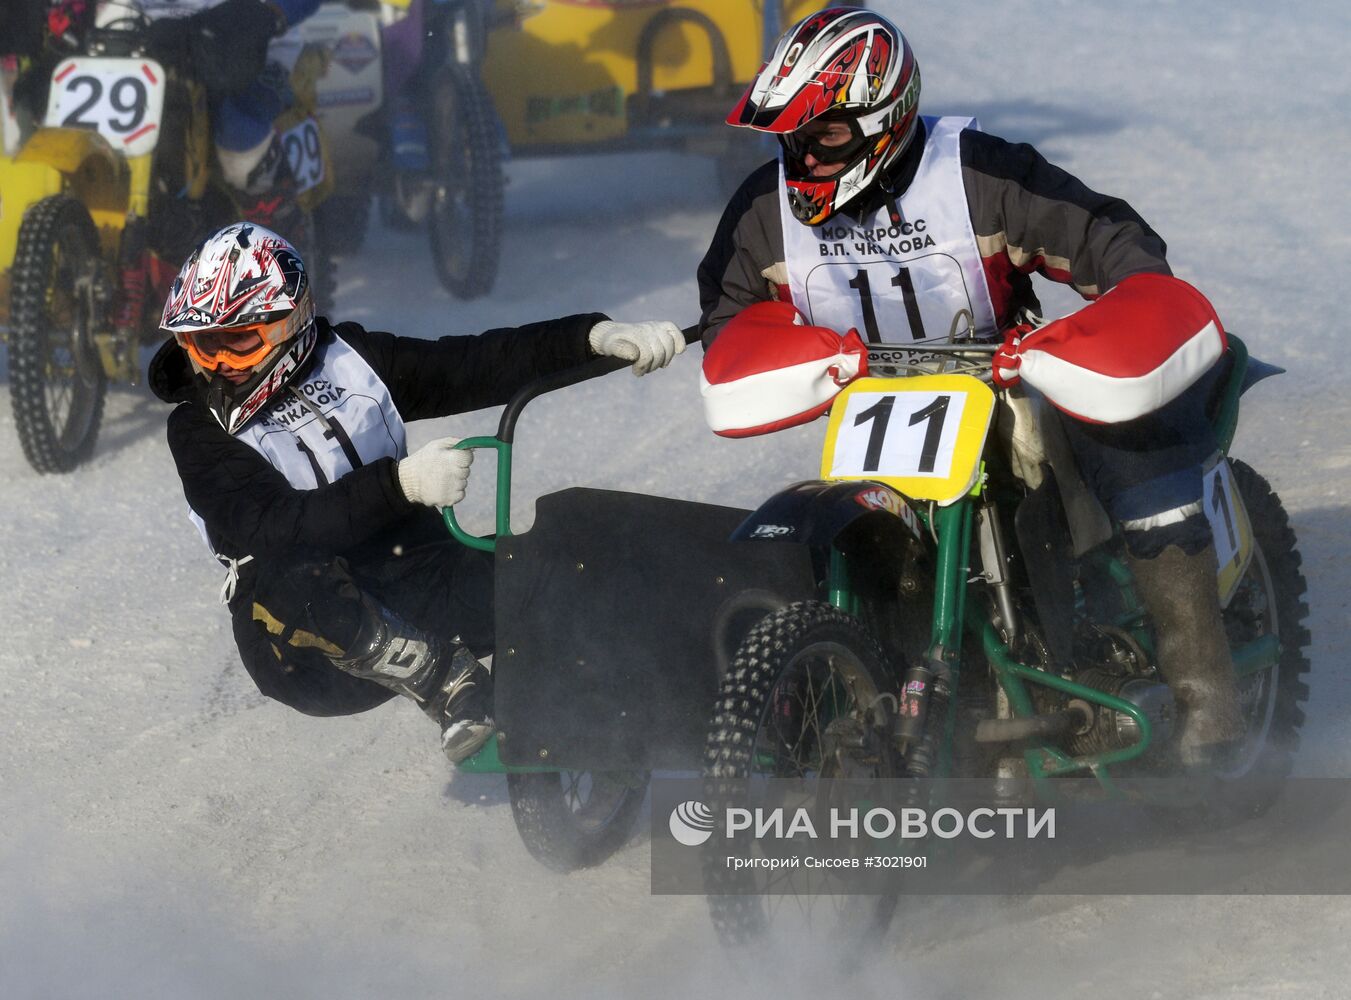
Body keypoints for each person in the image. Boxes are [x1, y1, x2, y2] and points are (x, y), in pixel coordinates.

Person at [696, 6, 1241, 766]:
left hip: (1009, 383)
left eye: (824, 134)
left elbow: (1111, 240)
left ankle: (1206, 714)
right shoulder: (763, 211)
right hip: (872, 400)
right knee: (832, 537)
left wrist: (1121, 310)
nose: (804, 155)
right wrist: (793, 353)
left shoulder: (979, 175)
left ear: (882, 118)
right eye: (790, 135)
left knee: (1141, 469)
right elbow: (726, 314)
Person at [148, 222, 686, 761]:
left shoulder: (351, 359)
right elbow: (279, 527)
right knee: (287, 572)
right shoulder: (197, 430)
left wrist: (591, 339)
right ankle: (448, 680)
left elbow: (470, 365)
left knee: (554, 580)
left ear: (287, 324)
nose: (213, 365)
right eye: (200, 344)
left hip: (416, 573)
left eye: (234, 343)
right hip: (304, 641)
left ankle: (650, 708)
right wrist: (400, 485)